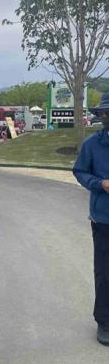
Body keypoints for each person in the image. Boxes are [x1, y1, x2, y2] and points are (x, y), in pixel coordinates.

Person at [73, 93, 109, 346]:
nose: (106, 117)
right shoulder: (92, 144)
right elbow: (80, 171)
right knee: (105, 272)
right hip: (103, 218)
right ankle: (104, 321)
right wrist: (99, 184)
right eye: (104, 113)